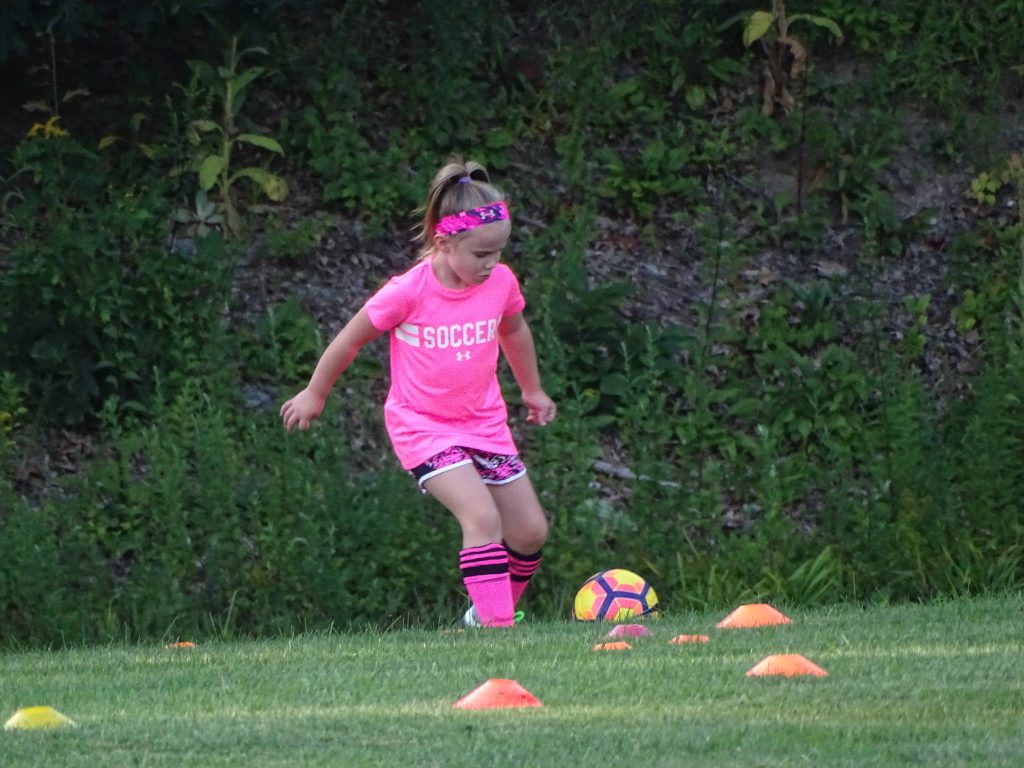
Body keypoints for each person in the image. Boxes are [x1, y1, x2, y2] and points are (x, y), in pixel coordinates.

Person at [280, 157, 556, 628]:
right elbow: (349, 340)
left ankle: (487, 612)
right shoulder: (407, 291)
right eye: (481, 254)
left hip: (485, 424)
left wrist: (532, 390)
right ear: (444, 242)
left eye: (498, 251)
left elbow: (514, 331)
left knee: (530, 532)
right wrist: (315, 392)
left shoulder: (500, 282)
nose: (492, 264)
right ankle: (498, 629)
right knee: (481, 518)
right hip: (423, 427)